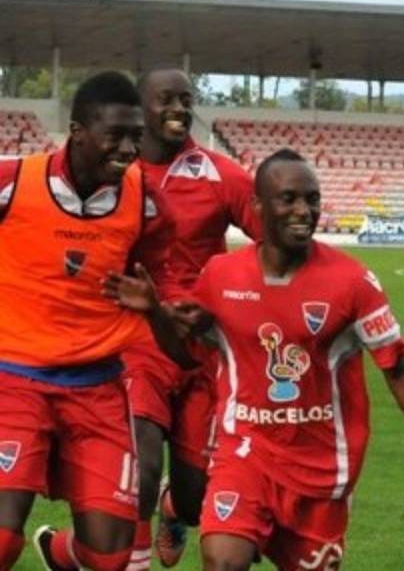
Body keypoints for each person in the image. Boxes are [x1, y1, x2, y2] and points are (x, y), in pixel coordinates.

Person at [104, 149, 404, 570]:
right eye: (289, 199)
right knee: (223, 560)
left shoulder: (353, 282)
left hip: (321, 475)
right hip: (245, 454)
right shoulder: (220, 276)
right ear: (257, 206)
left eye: (312, 199)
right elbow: (187, 357)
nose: (304, 210)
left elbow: (398, 371)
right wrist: (155, 314)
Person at [0, 71, 178, 571]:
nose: (128, 149)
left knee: (110, 557)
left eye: (135, 137)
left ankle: (61, 553)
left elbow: (160, 290)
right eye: (115, 136)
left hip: (97, 388)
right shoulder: (12, 182)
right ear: (77, 132)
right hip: (13, 381)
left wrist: (155, 306)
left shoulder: (146, 204)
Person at [121, 68, 261, 570]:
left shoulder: (221, 175)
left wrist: (235, 299)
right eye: (167, 99)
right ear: (141, 107)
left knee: (197, 497)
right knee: (140, 469)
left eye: (187, 99)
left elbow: (275, 243)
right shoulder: (117, 171)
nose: (180, 108)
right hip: (137, 344)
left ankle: (172, 508)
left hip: (204, 350)